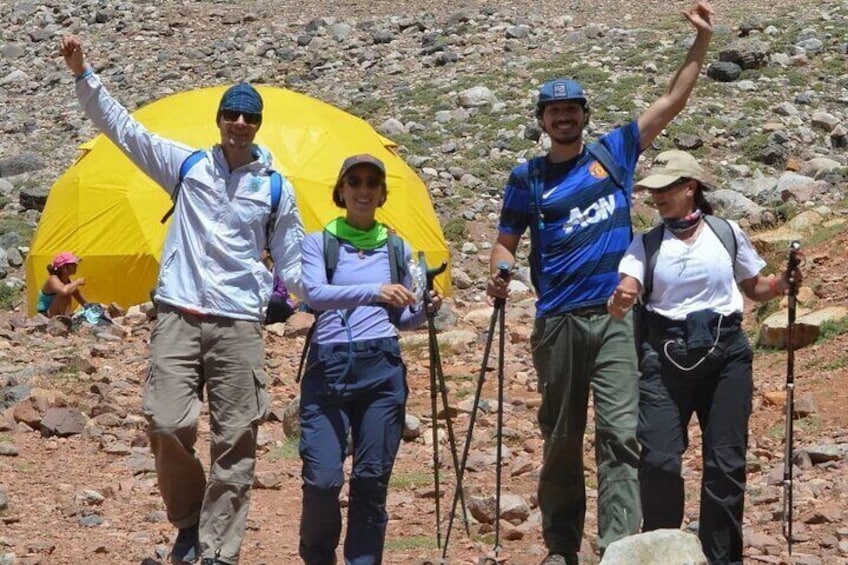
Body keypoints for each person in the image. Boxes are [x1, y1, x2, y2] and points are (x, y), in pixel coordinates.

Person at [59, 36, 304, 565]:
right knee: (165, 422)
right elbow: (124, 130)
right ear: (219, 120)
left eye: (249, 117)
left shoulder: (277, 189)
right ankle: (191, 521)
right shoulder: (188, 167)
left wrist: (344, 297)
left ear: (258, 125)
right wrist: (84, 74)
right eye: (231, 115)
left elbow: (295, 262)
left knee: (235, 439)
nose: (239, 123)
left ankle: (218, 552)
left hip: (239, 322)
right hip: (179, 314)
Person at [486, 2, 715, 563]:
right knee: (561, 439)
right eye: (554, 111)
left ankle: (614, 544)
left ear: (585, 115)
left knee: (619, 434)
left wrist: (701, 44)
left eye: (572, 110)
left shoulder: (613, 153)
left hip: (615, 316)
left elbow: (670, 101)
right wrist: (499, 271)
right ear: (541, 120)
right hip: (557, 320)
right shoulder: (528, 177)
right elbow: (505, 239)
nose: (563, 118)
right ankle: (562, 546)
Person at [609, 150, 802, 564]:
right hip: (664, 357)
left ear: (690, 188)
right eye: (653, 190)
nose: (656, 197)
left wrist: (782, 282)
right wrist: (622, 297)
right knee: (659, 459)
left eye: (665, 188)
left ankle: (722, 558)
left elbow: (755, 288)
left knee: (725, 463)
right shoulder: (645, 244)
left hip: (726, 355)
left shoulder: (726, 232)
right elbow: (627, 285)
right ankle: (661, 552)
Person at [297, 154, 440, 565]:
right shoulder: (318, 242)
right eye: (354, 182)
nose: (363, 190)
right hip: (329, 366)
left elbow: (405, 319)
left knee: (371, 479)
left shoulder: (397, 247)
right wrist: (374, 291)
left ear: (382, 193)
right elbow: (314, 294)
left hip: (381, 366)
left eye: (371, 183)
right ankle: (318, 555)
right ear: (340, 191)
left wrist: (425, 307)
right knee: (323, 479)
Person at [37, 251, 88, 317]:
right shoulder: (53, 279)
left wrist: (89, 307)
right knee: (64, 295)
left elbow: (78, 296)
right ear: (64, 267)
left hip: (59, 314)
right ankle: (64, 320)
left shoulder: (68, 282)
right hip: (46, 316)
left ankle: (66, 319)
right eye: (73, 264)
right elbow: (64, 291)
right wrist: (77, 282)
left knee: (70, 289)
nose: (76, 265)